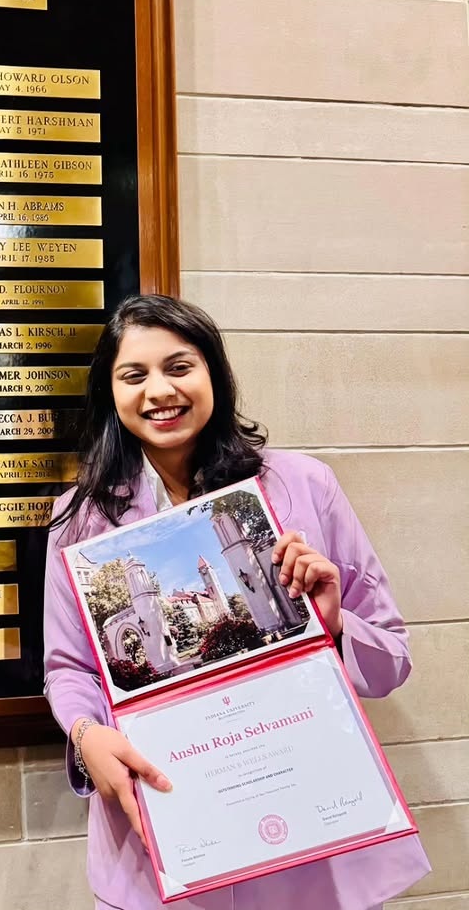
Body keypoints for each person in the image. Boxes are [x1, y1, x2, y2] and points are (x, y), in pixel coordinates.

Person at [43, 294, 430, 910]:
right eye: (133, 375)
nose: (159, 391)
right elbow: (69, 668)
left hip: (308, 823)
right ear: (110, 393)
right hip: (166, 822)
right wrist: (87, 735)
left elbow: (392, 660)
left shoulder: (303, 486)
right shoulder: (80, 522)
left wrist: (331, 625)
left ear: (214, 374)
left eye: (179, 366)